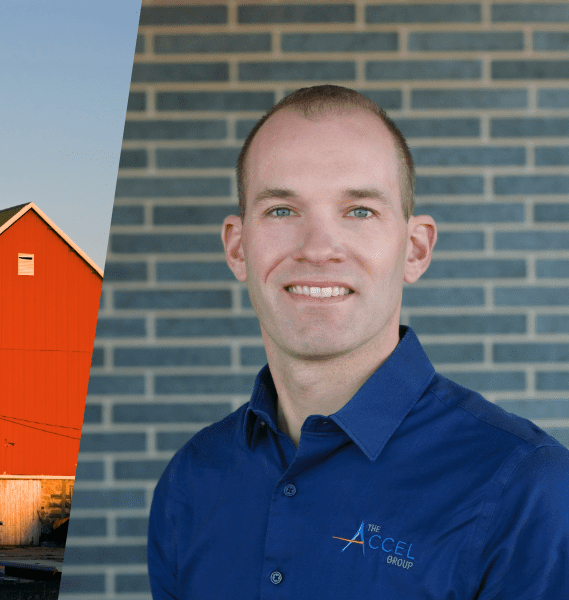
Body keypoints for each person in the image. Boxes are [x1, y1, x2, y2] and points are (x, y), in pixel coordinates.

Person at [147, 85, 569, 599]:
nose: (319, 248)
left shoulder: (527, 490)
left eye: (359, 211)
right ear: (238, 248)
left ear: (414, 249)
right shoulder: (191, 481)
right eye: (282, 210)